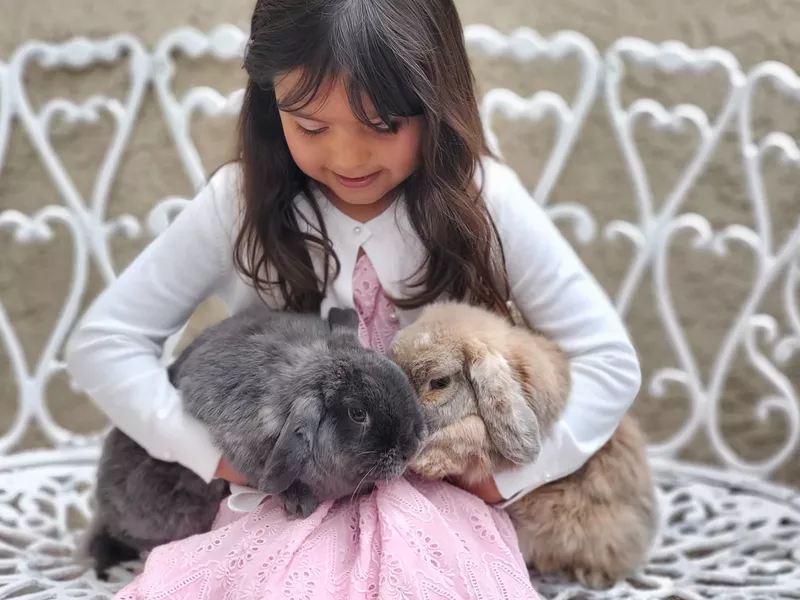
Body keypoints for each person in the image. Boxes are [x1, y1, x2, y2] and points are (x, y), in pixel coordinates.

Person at [66, 0, 639, 582]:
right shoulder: (239, 203)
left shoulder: (483, 202)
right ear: (271, 105)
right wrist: (213, 456)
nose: (346, 157)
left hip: (442, 503)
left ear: (437, 103)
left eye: (382, 126)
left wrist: (509, 477)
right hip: (281, 503)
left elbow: (608, 362)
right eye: (310, 126)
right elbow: (105, 343)